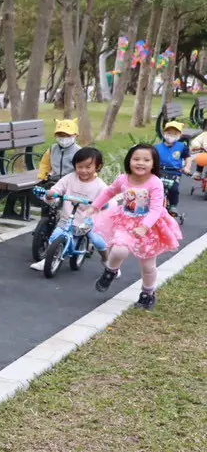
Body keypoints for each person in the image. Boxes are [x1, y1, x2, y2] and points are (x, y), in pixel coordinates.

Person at [92, 144, 184, 310]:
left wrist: (144, 227)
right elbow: (109, 192)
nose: (140, 163)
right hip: (125, 222)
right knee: (119, 250)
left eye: (146, 160)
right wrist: (95, 206)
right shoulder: (124, 179)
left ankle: (147, 293)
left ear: (154, 163)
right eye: (136, 159)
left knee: (147, 266)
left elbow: (156, 209)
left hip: (150, 227)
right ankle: (111, 271)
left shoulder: (155, 182)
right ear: (129, 161)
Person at [28, 146, 109, 270]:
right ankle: (48, 259)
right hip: (67, 218)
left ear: (97, 167)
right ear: (74, 165)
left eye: (88, 167)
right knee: (55, 237)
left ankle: (107, 260)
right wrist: (51, 193)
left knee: (97, 240)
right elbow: (57, 188)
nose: (83, 171)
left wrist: (102, 206)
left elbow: (107, 200)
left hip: (88, 221)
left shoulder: (100, 186)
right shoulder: (70, 178)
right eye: (80, 167)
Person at [156, 120, 190, 216]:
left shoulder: (182, 147)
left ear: (180, 135)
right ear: (164, 133)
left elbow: (188, 158)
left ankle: (173, 205)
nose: (171, 135)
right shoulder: (157, 147)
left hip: (174, 172)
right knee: (155, 188)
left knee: (173, 188)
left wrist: (187, 167)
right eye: (169, 133)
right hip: (159, 170)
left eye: (175, 133)